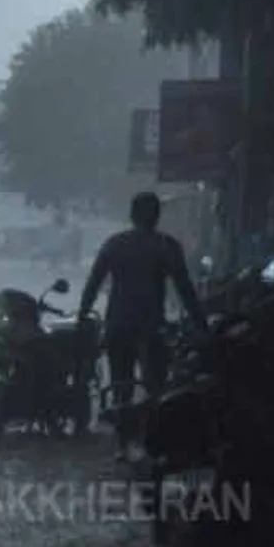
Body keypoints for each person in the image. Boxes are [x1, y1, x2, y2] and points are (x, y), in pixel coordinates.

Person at [77, 191, 209, 459]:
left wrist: (83, 315)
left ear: (132, 215)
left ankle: (124, 444)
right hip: (151, 327)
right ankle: (152, 442)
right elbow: (185, 288)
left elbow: (92, 284)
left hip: (118, 325)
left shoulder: (114, 244)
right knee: (155, 387)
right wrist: (201, 323)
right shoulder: (166, 246)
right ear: (157, 216)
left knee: (121, 385)